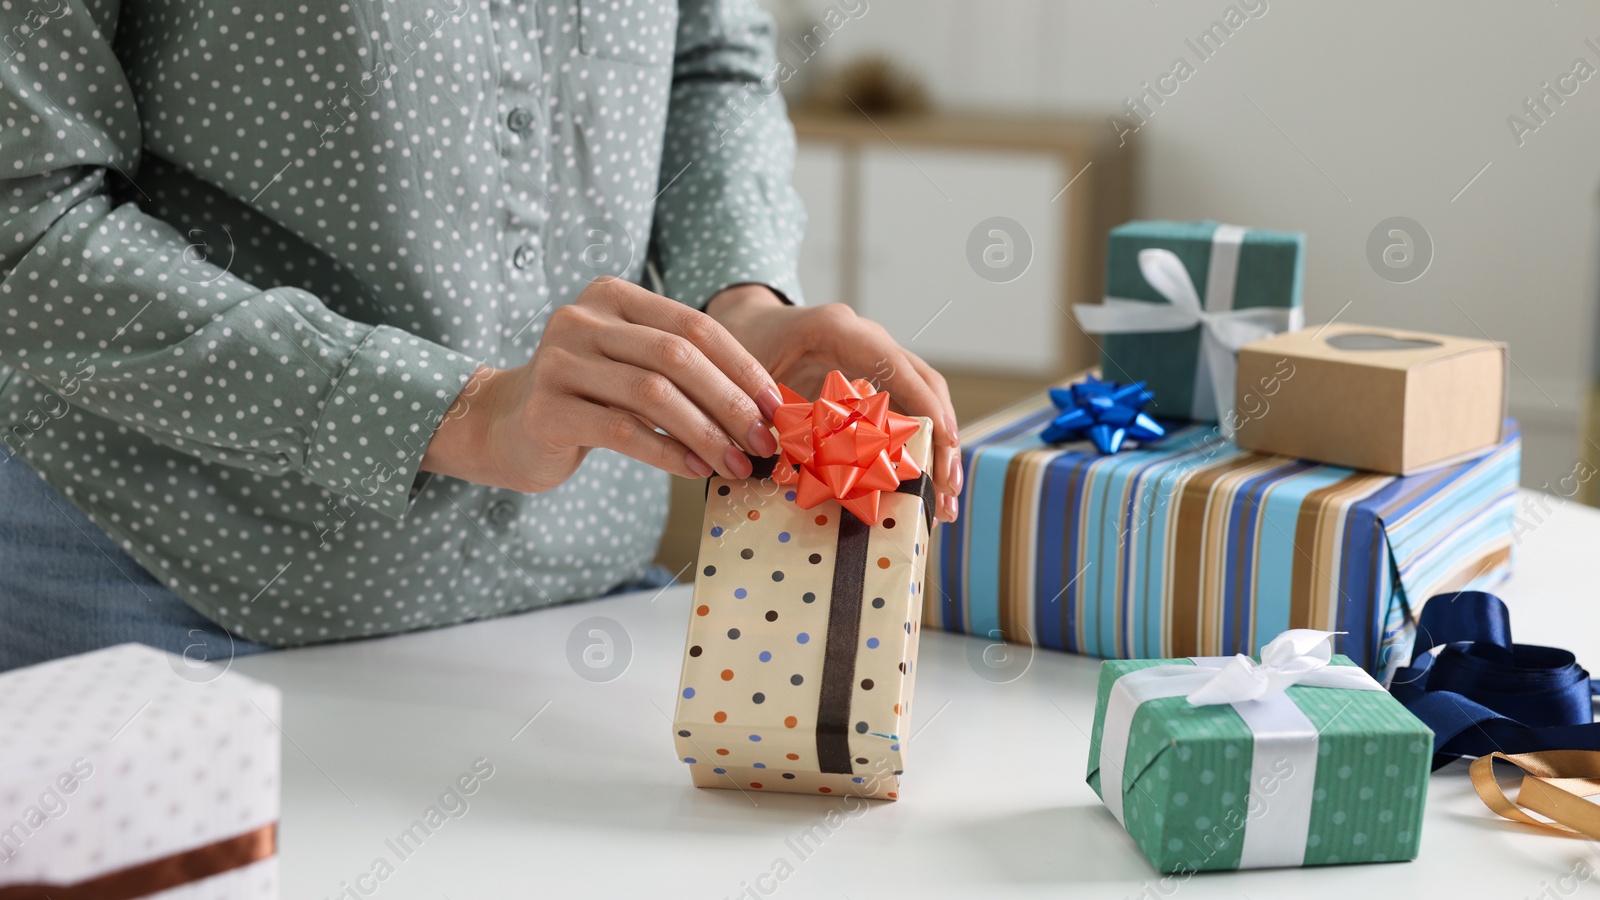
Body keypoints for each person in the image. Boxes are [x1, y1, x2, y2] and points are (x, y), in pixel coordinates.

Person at [0, 0, 961, 671]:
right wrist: (457, 412)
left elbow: (711, 58)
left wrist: (738, 296)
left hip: (580, 597)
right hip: (175, 587)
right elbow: (25, 222)